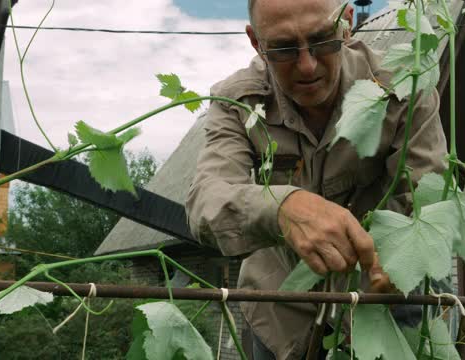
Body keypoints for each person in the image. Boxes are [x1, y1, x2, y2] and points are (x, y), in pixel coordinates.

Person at [186, 0, 447, 358]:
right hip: (280, 311)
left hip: (382, 307)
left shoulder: (405, 84)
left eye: (323, 39)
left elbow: (429, 197)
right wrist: (282, 207)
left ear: (347, 24)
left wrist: (401, 255)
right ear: (255, 41)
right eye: (282, 48)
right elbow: (206, 200)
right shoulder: (237, 101)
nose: (307, 66)